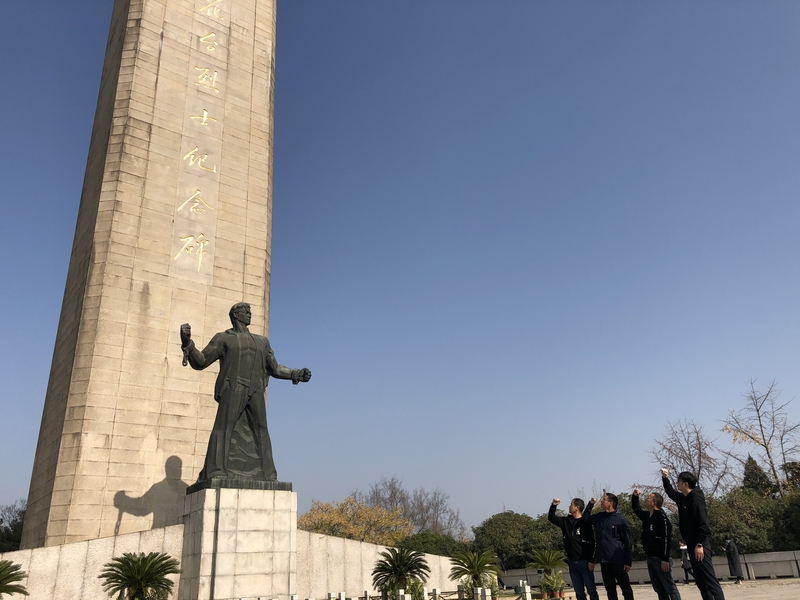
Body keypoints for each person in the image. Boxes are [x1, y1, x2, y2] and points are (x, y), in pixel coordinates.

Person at [181, 302, 312, 482]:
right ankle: (216, 471)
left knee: (261, 429)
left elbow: (274, 368)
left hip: (256, 388)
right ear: (235, 315)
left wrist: (295, 373)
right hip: (233, 387)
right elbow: (201, 361)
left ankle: (268, 475)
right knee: (223, 428)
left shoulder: (261, 341)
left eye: (250, 311)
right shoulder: (223, 339)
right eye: (245, 311)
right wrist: (188, 343)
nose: (249, 314)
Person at [661, 469, 726, 600]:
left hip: (700, 545)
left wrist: (700, 543)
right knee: (701, 582)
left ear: (685, 484)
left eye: (679, 481)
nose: (677, 484)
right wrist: (665, 478)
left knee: (709, 579)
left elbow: (703, 524)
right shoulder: (683, 498)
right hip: (691, 544)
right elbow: (670, 492)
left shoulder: (696, 499)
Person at [632, 489, 681, 600]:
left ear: (654, 503)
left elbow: (666, 540)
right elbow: (637, 509)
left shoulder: (662, 518)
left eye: (649, 498)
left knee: (670, 588)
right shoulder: (647, 516)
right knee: (659, 589)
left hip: (661, 559)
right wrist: (635, 497)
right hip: (650, 558)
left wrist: (665, 559)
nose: (646, 499)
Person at [547, 497, 599, 600]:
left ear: (577, 508)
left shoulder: (585, 522)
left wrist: (592, 560)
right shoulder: (566, 521)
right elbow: (551, 518)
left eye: (571, 504)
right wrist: (554, 505)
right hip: (572, 561)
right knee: (579, 592)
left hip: (585, 561)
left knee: (591, 590)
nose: (569, 506)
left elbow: (593, 542)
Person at [586, 492, 634, 600]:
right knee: (610, 590)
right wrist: (590, 504)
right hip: (604, 560)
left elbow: (627, 542)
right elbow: (585, 518)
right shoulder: (599, 517)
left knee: (625, 588)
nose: (601, 502)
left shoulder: (620, 520)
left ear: (611, 503)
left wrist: (628, 561)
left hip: (618, 560)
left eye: (604, 500)